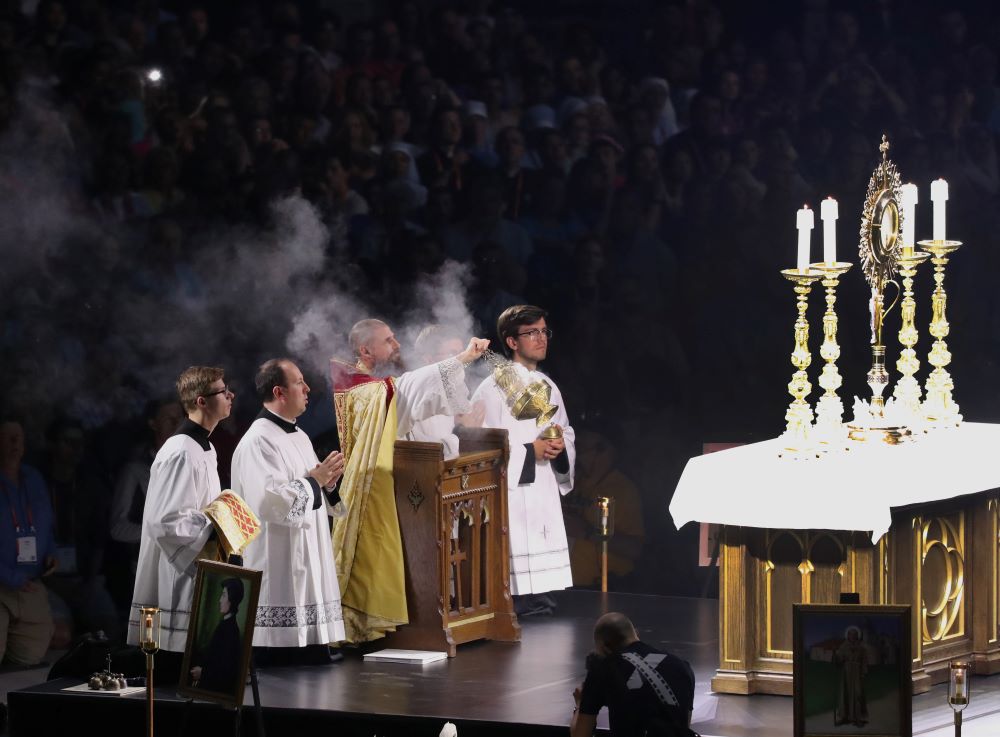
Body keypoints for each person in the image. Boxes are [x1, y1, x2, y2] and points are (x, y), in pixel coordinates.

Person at [330, 319, 489, 643]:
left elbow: (411, 393)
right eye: (388, 340)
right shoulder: (364, 388)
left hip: (395, 480)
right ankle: (366, 625)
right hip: (374, 483)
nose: (397, 344)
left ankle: (384, 624)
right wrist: (461, 360)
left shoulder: (377, 385)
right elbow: (408, 391)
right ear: (366, 350)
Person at [231, 359, 346, 661]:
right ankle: (282, 651)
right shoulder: (258, 441)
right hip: (277, 554)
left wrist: (327, 484)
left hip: (306, 547)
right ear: (280, 392)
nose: (308, 388)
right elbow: (269, 502)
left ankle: (312, 646)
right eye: (299, 383)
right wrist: (314, 482)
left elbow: (310, 486)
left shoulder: (299, 435)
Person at [128, 366, 234, 684]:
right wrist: (217, 523)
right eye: (222, 391)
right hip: (178, 569)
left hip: (198, 561)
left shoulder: (205, 446)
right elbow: (167, 523)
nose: (230, 396)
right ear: (201, 401)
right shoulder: (179, 451)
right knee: (174, 672)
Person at [471, 305, 574, 615]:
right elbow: (484, 441)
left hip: (542, 481)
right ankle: (515, 596)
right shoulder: (493, 387)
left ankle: (539, 592)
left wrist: (559, 445)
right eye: (532, 333)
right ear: (512, 342)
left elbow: (565, 429)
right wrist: (532, 451)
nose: (541, 339)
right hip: (513, 485)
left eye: (544, 331)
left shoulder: (548, 385)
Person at [107, 398, 184, 616]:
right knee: (151, 642)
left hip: (186, 572)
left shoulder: (192, 463)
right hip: (147, 575)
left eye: (180, 418)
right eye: (169, 418)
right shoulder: (135, 471)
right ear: (153, 423)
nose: (177, 423)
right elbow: (117, 528)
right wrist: (163, 533)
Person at [571, 612, 696, 737]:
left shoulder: (602, 669)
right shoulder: (682, 667)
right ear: (636, 633)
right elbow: (684, 725)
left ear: (604, 647)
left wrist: (580, 704)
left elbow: (580, 734)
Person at [0, 417, 56, 666]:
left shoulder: (33, 478)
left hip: (31, 585)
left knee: (28, 658)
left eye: (19, 437)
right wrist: (11, 577)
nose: (15, 443)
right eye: (8, 437)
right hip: (3, 586)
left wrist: (51, 551)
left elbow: (45, 525)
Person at [401, 325, 486, 459]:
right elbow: (427, 456)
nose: (461, 361)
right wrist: (463, 430)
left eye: (461, 352)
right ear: (428, 359)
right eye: (453, 354)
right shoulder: (415, 396)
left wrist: (476, 425)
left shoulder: (456, 393)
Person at [190, 577, 244, 695]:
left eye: (224, 595)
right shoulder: (225, 624)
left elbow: (226, 670)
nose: (220, 600)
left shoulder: (230, 630)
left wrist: (203, 673)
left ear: (232, 599)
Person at [833, 626, 868, 727]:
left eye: (854, 634)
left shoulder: (861, 647)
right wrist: (835, 655)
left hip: (857, 673)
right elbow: (839, 660)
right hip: (846, 673)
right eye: (850, 634)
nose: (852, 636)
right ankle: (844, 717)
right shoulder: (843, 646)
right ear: (848, 635)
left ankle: (858, 718)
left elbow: (864, 661)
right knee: (845, 694)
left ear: (857, 635)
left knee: (858, 694)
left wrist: (864, 672)